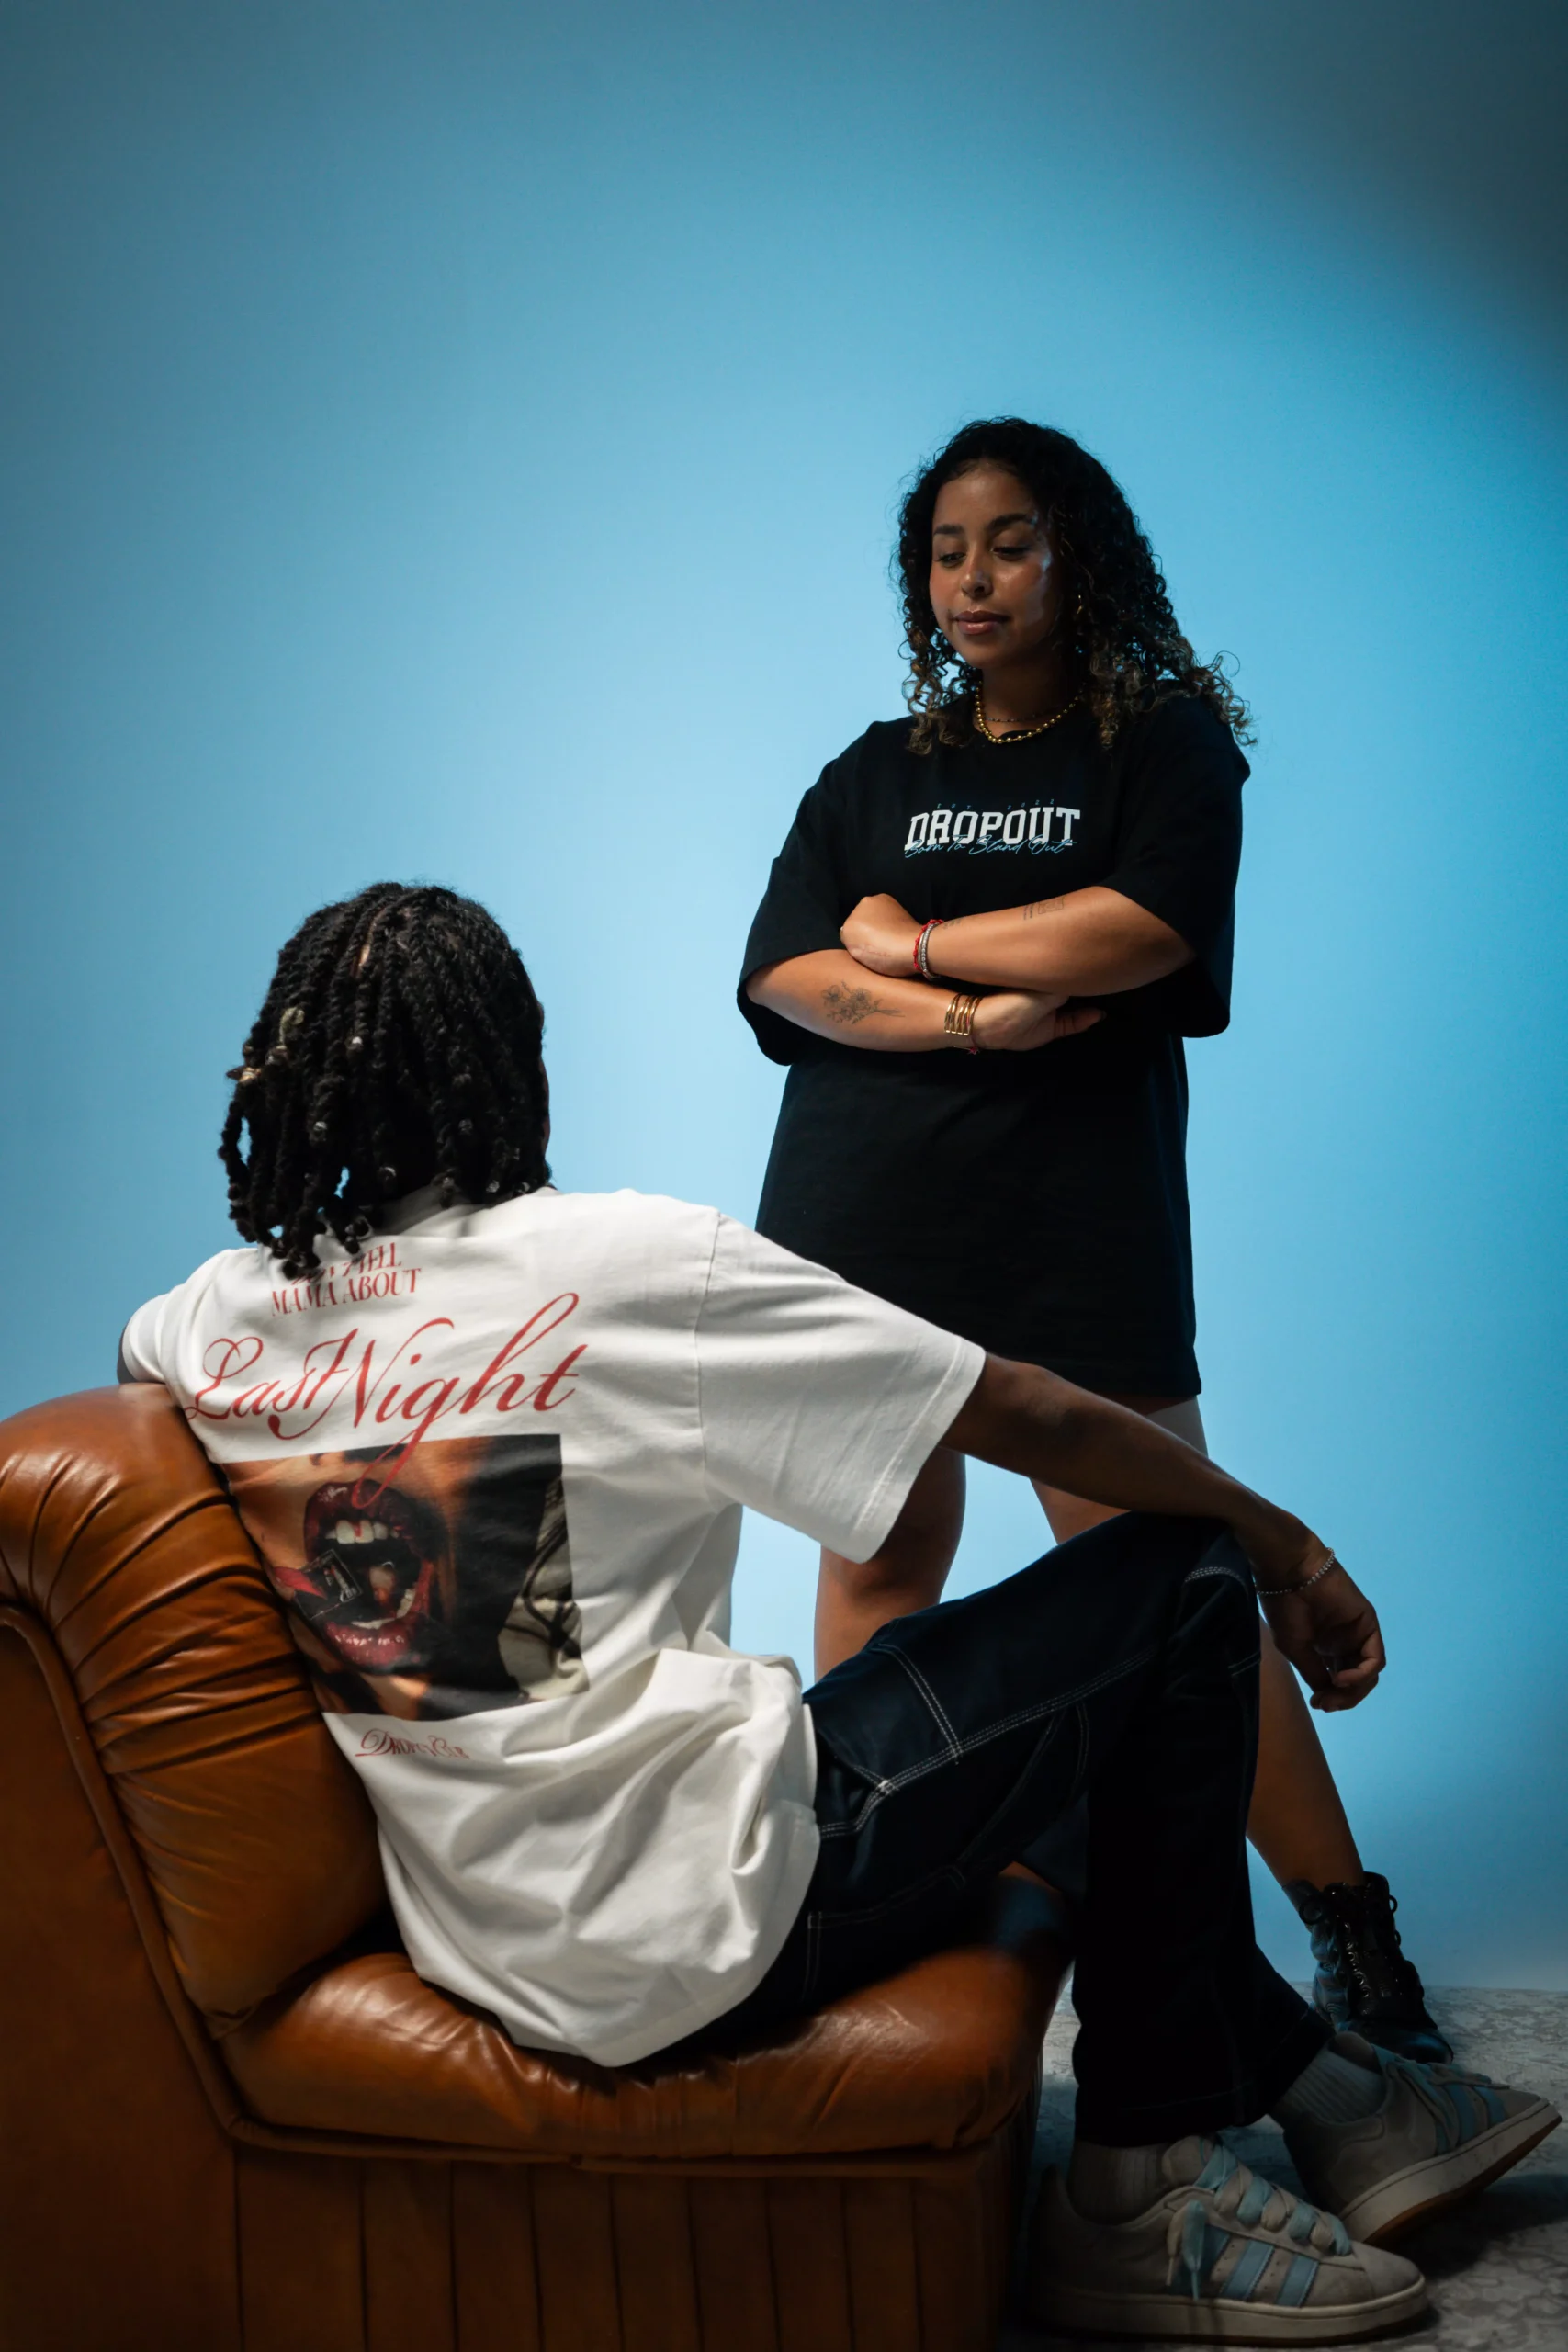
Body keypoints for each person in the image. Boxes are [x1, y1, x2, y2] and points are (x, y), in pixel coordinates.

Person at [119, 882, 1554, 2345]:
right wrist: (1284, 1543)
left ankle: (1337, 2096)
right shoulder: (619, 1266)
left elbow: (142, 1371)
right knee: (1178, 1583)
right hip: (709, 1916)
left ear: (285, 1080)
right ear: (506, 1063)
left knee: (1043, 1719)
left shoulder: (207, 1322)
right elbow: (1025, 1405)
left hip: (487, 1929)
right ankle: (1137, 2192)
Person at [739, 416, 1445, 2060]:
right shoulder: (875, 769)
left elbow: (1140, 931)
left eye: (1006, 543)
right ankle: (884, 1888)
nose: (971, 580)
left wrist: (909, 940)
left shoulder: (1163, 744)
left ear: (1078, 558)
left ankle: (1352, 1937)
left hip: (1074, 1221)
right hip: (858, 1214)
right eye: (943, 551)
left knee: (1178, 1578)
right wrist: (980, 1017)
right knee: (877, 1561)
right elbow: (787, 972)